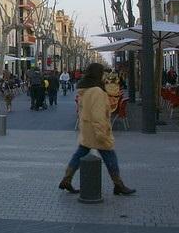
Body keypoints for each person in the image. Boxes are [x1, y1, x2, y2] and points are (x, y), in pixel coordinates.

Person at [58, 63, 135, 196]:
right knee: (110, 156)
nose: (104, 75)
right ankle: (118, 184)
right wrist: (103, 134)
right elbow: (98, 115)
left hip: (87, 130)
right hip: (96, 131)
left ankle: (66, 179)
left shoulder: (85, 89)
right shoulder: (97, 91)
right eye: (102, 73)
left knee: (79, 155)